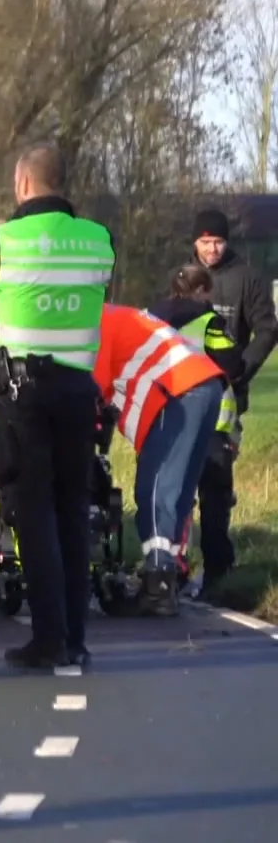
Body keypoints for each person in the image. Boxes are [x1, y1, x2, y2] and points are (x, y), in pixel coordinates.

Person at [0, 143, 113, 670]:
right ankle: (76, 637)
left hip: (23, 394)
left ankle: (48, 639)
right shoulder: (99, 240)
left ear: (23, 184)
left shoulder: (6, 240)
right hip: (77, 391)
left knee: (34, 514)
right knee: (73, 513)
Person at [187, 209, 274, 597]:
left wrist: (240, 370)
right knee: (175, 486)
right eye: (205, 242)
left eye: (218, 242)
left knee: (215, 486)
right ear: (195, 242)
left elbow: (268, 329)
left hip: (225, 400)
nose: (212, 249)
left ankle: (218, 571)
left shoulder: (246, 279)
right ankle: (170, 567)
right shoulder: (181, 277)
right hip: (180, 394)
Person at [141, 266, 239, 609]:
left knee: (167, 492)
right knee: (212, 499)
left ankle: (169, 568)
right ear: (202, 291)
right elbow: (232, 363)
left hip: (160, 415)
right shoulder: (210, 322)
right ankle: (217, 571)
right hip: (212, 423)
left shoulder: (152, 317)